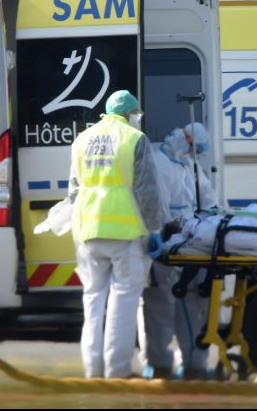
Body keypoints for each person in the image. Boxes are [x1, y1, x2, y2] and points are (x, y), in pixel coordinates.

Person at [69, 89, 161, 379]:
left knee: (93, 300)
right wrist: (155, 229)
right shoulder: (135, 139)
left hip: (88, 232)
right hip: (125, 232)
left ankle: (92, 371)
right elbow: (147, 190)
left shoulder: (82, 139)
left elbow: (73, 190)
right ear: (128, 114)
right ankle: (117, 372)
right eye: (136, 114)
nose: (137, 118)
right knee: (123, 300)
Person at [139, 122, 216, 379]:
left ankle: (193, 362)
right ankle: (159, 362)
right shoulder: (158, 165)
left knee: (192, 304)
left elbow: (208, 200)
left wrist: (211, 219)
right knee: (159, 305)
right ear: (185, 140)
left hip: (191, 243)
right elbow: (158, 207)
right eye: (192, 147)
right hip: (167, 243)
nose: (194, 155)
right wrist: (163, 232)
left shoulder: (189, 167)